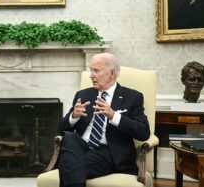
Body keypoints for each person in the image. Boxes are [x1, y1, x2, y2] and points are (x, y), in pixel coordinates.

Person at [57, 53, 150, 187]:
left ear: (112, 73)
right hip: (82, 147)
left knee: (68, 163)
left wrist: (114, 116)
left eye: (96, 70)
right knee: (70, 138)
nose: (91, 75)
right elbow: (60, 129)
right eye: (91, 70)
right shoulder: (83, 95)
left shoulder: (132, 97)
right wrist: (74, 117)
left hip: (110, 153)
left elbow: (143, 132)